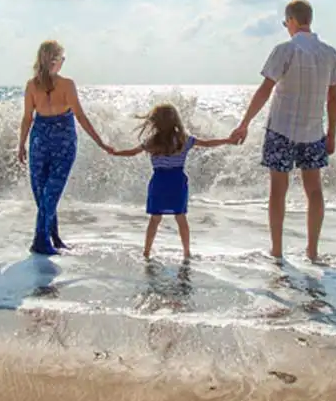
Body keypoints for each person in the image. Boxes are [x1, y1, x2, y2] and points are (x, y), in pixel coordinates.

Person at [229, 0, 336, 262]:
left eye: (285, 23)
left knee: (278, 191)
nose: (286, 27)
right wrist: (332, 133)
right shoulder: (329, 53)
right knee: (314, 191)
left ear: (291, 20)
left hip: (281, 129)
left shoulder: (285, 50)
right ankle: (312, 252)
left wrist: (244, 123)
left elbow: (265, 90)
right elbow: (333, 99)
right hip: (314, 131)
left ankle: (278, 251)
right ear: (309, 20)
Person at [17, 40, 110, 255]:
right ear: (55, 61)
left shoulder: (34, 85)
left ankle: (52, 237)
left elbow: (27, 118)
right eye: (62, 58)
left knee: (48, 192)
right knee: (45, 194)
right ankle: (42, 240)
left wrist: (22, 144)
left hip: (42, 139)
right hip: (60, 140)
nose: (63, 62)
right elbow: (80, 116)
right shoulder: (63, 85)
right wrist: (20, 144)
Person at [109, 103, 235, 260]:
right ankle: (186, 252)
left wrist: (115, 153)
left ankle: (147, 251)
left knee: (155, 219)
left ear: (155, 122)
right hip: (177, 182)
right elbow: (208, 143)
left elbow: (132, 152)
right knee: (181, 217)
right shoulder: (184, 140)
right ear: (176, 120)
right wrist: (228, 140)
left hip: (159, 182)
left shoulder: (151, 141)